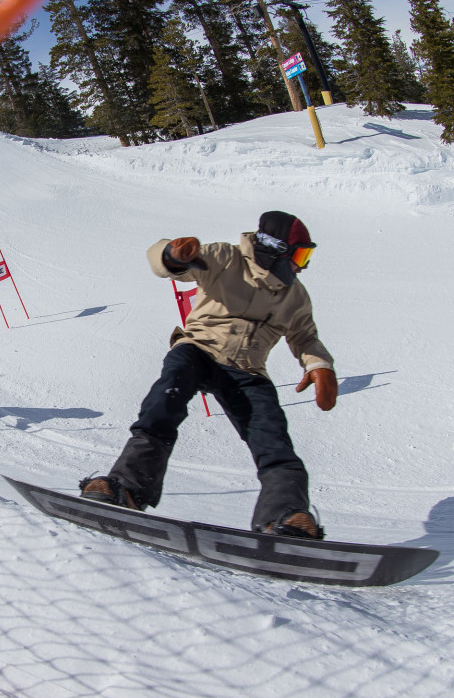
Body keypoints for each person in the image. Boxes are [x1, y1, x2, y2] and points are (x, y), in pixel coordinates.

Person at [79, 211, 338, 540]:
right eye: (300, 254)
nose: (303, 265)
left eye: (307, 256)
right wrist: (172, 254)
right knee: (164, 401)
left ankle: (284, 515)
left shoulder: (294, 295)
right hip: (199, 350)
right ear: (275, 249)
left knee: (272, 437)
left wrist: (319, 366)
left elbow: (305, 337)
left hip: (247, 371)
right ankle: (125, 488)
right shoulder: (227, 258)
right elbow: (170, 264)